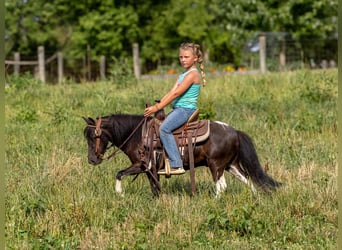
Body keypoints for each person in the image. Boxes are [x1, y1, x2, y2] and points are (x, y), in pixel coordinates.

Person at [144, 42, 206, 174]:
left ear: (195, 58)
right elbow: (171, 92)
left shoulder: (193, 75)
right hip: (178, 108)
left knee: (164, 129)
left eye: (186, 57)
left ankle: (176, 164)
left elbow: (177, 94)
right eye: (181, 57)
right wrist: (160, 103)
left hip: (185, 110)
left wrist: (157, 107)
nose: (183, 60)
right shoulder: (182, 75)